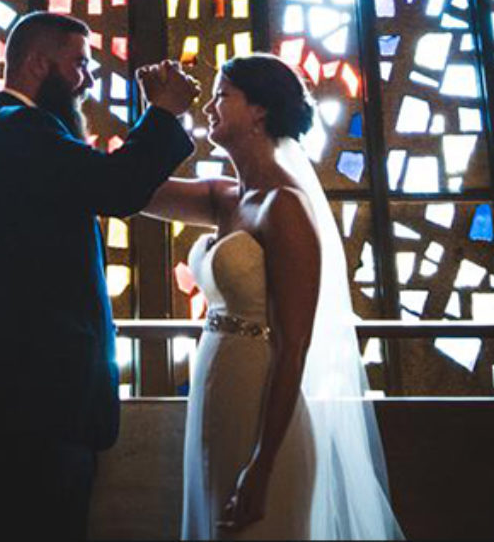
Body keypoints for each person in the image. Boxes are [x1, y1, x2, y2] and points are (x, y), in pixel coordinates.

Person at [0, 11, 198, 540]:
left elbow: (104, 182)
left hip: (21, 409)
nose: (89, 80)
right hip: (11, 415)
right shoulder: (14, 131)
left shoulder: (18, 132)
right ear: (36, 64)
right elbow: (116, 186)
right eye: (79, 65)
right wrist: (163, 111)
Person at [143, 53, 403, 539]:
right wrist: (159, 112)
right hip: (214, 402)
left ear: (259, 111)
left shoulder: (285, 208)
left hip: (263, 409)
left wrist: (263, 464)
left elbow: (294, 346)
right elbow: (135, 191)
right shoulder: (224, 197)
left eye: (223, 95)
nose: (210, 105)